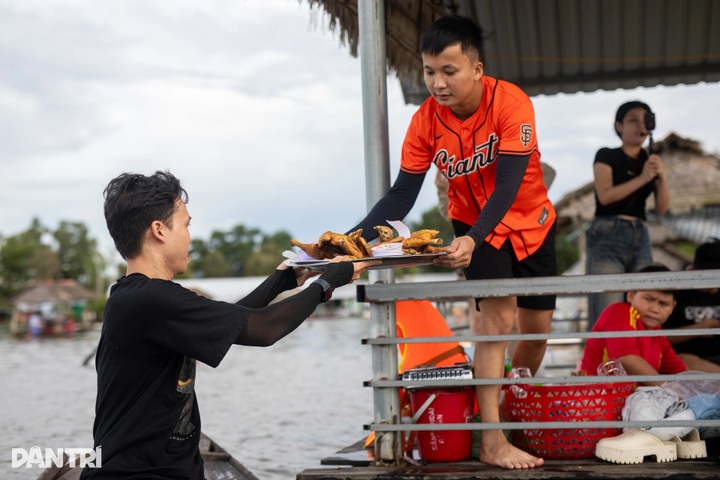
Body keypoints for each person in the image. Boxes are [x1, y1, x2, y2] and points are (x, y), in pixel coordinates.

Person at [350, 15, 556, 469]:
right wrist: (352, 243)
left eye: (449, 71)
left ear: (477, 69)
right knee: (494, 326)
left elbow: (507, 184)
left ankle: (510, 414)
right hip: (475, 229)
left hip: (532, 222)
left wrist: (474, 237)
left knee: (536, 336)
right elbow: (402, 194)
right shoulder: (425, 122)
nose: (438, 83)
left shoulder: (512, 104)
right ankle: (494, 438)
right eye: (429, 72)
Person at [81, 171, 378, 479]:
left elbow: (231, 319)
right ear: (159, 230)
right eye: (186, 224)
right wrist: (331, 281)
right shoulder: (149, 300)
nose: (190, 236)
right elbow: (263, 329)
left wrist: (288, 276)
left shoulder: (136, 296)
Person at [586, 100, 670, 328]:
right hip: (608, 230)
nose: (639, 125)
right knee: (607, 303)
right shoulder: (606, 155)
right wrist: (643, 178)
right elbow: (605, 196)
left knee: (643, 299)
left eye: (644, 120)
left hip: (640, 231)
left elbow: (662, 208)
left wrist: (661, 177)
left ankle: (636, 357)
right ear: (619, 126)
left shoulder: (650, 160)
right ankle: (601, 362)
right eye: (632, 119)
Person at [580, 264, 720, 384]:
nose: (654, 309)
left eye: (663, 304)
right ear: (631, 296)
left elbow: (681, 372)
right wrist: (667, 390)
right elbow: (628, 359)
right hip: (597, 400)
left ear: (672, 307)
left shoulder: (658, 335)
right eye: (648, 299)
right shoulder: (619, 312)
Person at [663, 239, 720, 369]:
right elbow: (660, 338)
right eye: (709, 282)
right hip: (689, 359)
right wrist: (698, 329)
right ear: (693, 271)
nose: (714, 289)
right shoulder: (678, 293)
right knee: (685, 360)